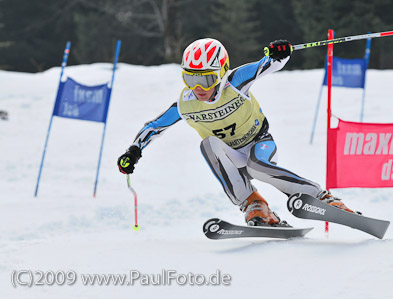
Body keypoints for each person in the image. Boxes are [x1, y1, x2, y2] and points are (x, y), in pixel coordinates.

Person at [118, 38, 355, 227]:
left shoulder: (235, 81)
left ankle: (322, 197)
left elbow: (267, 65)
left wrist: (278, 53)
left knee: (257, 167)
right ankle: (253, 204)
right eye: (190, 78)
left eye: (207, 79)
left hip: (259, 144)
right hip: (231, 156)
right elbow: (154, 126)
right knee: (208, 144)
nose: (199, 88)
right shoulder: (187, 102)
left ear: (221, 71)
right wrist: (134, 150)